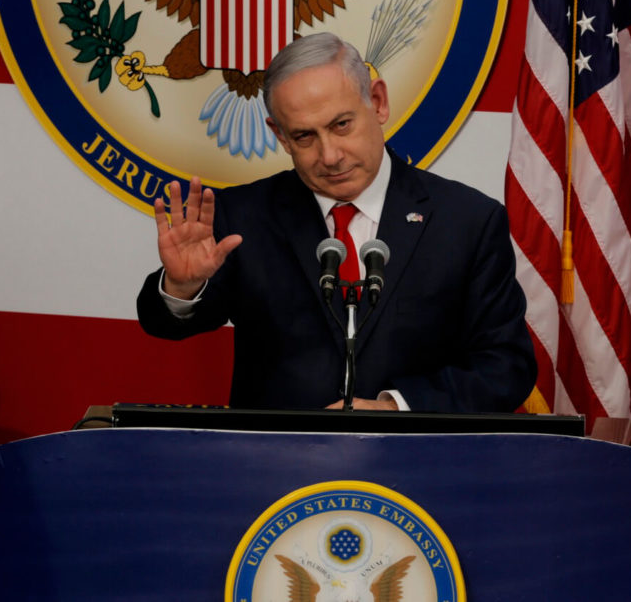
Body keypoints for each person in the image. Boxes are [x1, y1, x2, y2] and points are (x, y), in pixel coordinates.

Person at [137, 33, 535, 412]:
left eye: (341, 125)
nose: (329, 156)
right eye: (304, 136)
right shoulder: (242, 216)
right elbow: (168, 326)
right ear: (280, 135)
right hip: (276, 470)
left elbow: (506, 366)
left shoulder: (468, 221)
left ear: (377, 102)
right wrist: (183, 287)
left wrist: (396, 407)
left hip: (415, 467)